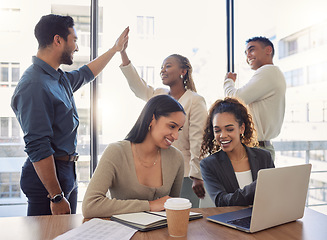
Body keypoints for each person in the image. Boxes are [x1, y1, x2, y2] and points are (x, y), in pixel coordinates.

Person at [10, 14, 129, 216]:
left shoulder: (57, 78)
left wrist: (115, 49)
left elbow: (86, 73)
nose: (76, 47)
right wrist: (56, 196)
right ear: (58, 40)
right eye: (74, 40)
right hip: (47, 182)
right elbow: (38, 146)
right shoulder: (34, 85)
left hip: (66, 173)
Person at [119, 44, 207, 208]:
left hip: (185, 174)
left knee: (181, 220)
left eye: (168, 66)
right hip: (156, 169)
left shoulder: (195, 100)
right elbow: (137, 86)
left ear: (183, 71)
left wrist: (197, 175)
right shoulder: (158, 94)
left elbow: (198, 140)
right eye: (161, 67)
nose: (162, 70)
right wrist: (123, 53)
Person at [82, 95, 185, 218]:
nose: (176, 136)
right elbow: (90, 206)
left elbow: (172, 207)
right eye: (172, 126)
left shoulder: (177, 158)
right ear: (152, 119)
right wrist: (150, 205)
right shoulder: (116, 152)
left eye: (179, 129)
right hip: (121, 232)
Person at [200, 97, 274, 207]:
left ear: (241, 128)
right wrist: (258, 186)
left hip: (263, 220)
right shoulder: (209, 165)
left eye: (229, 129)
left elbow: (273, 195)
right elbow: (222, 202)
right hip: (231, 222)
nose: (223, 135)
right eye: (217, 130)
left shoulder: (264, 157)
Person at [224, 36, 286, 160]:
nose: (248, 56)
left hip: (256, 150)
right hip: (260, 148)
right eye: (246, 53)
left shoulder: (268, 71)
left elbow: (235, 99)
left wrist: (229, 81)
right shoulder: (273, 73)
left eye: (251, 50)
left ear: (268, 50)